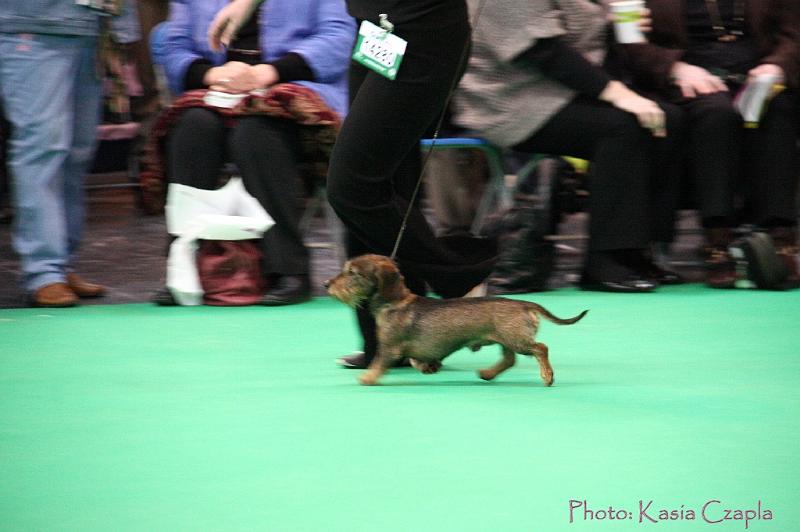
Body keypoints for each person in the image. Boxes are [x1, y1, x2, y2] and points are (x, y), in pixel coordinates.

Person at [209, 0, 499, 367]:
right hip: (375, 28)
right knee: (387, 181)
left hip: (424, 30)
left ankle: (460, 278)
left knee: (352, 186)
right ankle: (388, 342)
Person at [453, 0, 686, 292]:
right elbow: (542, 49)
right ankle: (604, 261)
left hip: (559, 91)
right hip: (509, 100)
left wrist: (612, 21)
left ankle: (638, 252)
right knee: (623, 128)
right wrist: (616, 93)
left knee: (667, 120)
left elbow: (570, 27)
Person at [155, 0, 354, 305]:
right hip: (217, 91)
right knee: (193, 128)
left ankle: (288, 269)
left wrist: (267, 73)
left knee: (256, 132)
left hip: (294, 88)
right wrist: (213, 75)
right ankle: (184, 270)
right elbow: (173, 45)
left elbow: (339, 38)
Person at [617, 0, 800, 288]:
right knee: (715, 113)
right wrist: (673, 68)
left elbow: (793, 33)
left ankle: (781, 237)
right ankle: (718, 237)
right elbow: (630, 42)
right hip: (687, 76)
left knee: (776, 108)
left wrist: (777, 66)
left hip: (760, 71)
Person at [0, 0, 109, 307]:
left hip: (91, 26)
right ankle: (44, 272)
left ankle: (62, 264)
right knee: (43, 148)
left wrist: (120, 30)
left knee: (78, 152)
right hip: (32, 23)